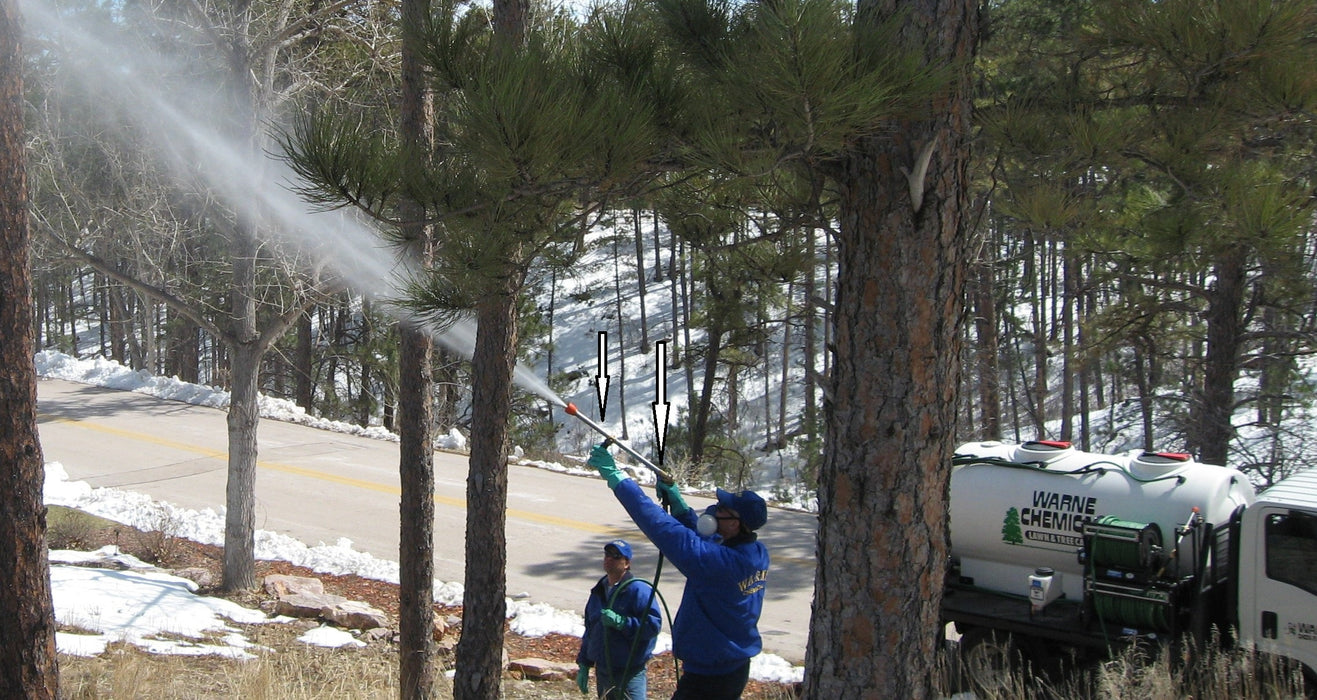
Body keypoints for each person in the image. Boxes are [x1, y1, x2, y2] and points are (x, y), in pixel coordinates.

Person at [588, 444, 769, 700]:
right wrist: (680, 505)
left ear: (735, 524)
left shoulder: (718, 564)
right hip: (729, 666)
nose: (713, 510)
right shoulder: (754, 552)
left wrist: (617, 478)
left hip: (711, 679)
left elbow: (663, 528)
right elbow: (705, 542)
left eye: (721, 509)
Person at [576, 538, 664, 699]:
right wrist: (584, 663)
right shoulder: (599, 590)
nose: (609, 559)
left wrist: (623, 623)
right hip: (604, 671)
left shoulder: (638, 590)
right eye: (607, 555)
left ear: (626, 563)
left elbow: (652, 626)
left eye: (616, 556)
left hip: (629, 672)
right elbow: (591, 629)